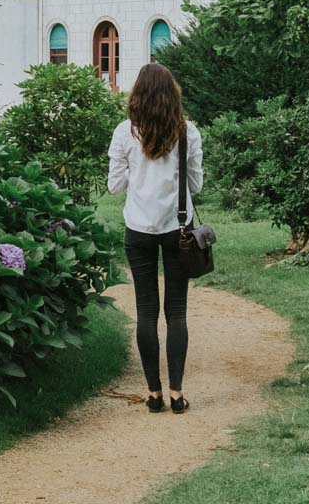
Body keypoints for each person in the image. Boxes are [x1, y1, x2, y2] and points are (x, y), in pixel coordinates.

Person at [106, 62, 203, 414]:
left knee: (146, 311)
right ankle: (177, 393)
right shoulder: (188, 132)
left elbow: (114, 185)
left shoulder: (124, 133)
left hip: (138, 229)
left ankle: (153, 394)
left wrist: (139, 170)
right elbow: (196, 184)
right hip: (179, 229)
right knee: (176, 311)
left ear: (137, 97)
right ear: (172, 96)